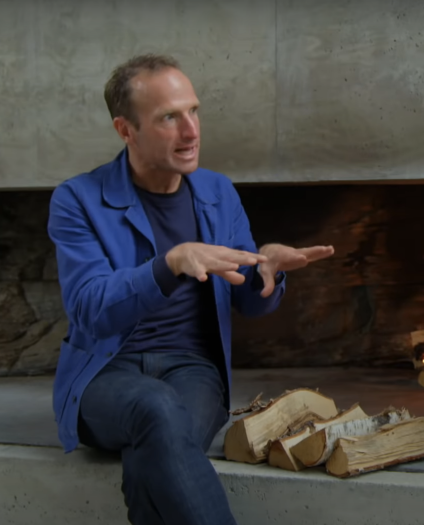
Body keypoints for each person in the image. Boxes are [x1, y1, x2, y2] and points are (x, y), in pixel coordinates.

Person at [47, 54, 334, 525]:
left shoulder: (218, 192)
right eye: (168, 118)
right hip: (105, 376)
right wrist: (169, 265)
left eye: (194, 111)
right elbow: (89, 309)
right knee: (156, 409)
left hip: (193, 370)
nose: (191, 131)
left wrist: (269, 271)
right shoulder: (77, 199)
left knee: (153, 446)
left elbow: (245, 299)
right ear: (126, 130)